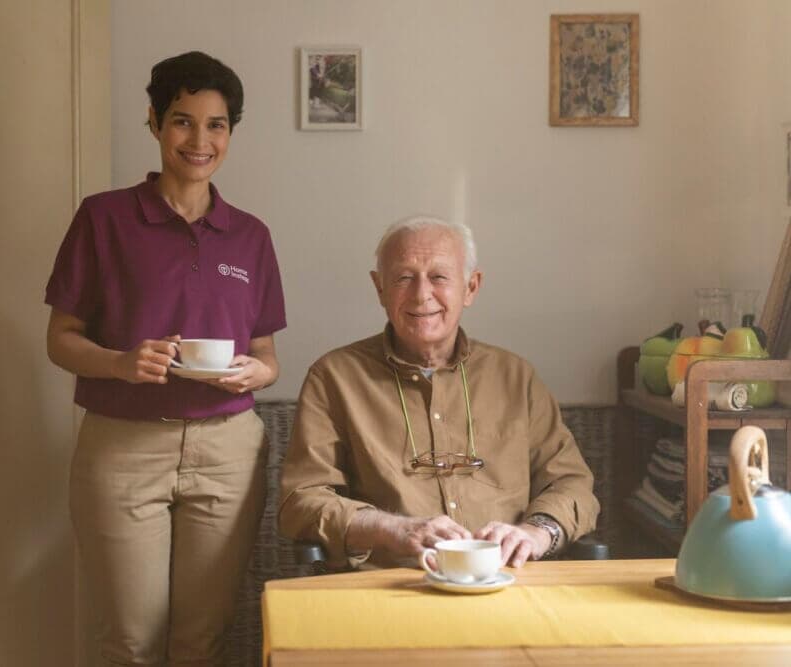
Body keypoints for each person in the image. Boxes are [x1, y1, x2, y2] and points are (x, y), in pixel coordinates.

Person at [45, 51, 286, 666]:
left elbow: (266, 357)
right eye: (182, 121)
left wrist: (256, 373)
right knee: (131, 642)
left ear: (231, 131)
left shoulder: (250, 235)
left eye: (217, 124)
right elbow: (61, 339)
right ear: (153, 122)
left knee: (202, 640)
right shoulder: (103, 218)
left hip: (227, 451)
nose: (199, 140)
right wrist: (123, 363)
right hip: (123, 449)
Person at [278, 215, 597, 570]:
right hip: (390, 587)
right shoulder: (334, 378)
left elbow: (572, 484)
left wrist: (537, 532)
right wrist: (390, 528)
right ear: (379, 287)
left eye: (439, 277)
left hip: (508, 580)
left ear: (471, 287)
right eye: (403, 278)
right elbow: (301, 500)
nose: (421, 294)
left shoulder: (515, 377)